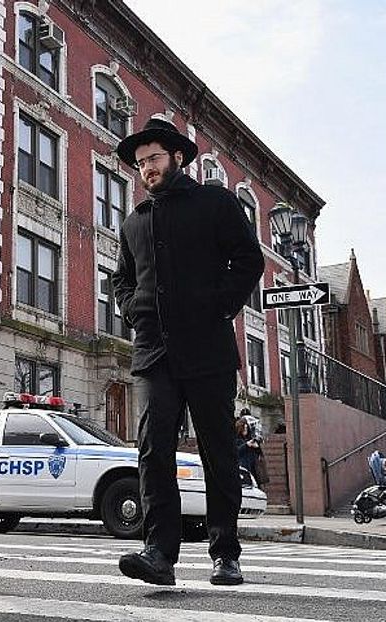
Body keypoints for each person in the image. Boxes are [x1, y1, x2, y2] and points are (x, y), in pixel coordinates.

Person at [111, 117, 264, 586]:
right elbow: (121, 279)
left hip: (208, 350)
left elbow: (249, 259)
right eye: (141, 163)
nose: (147, 168)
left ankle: (225, 553)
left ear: (177, 157)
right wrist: (132, 310)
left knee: (218, 451)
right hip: (153, 353)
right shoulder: (134, 222)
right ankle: (159, 554)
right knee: (153, 449)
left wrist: (220, 305)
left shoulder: (215, 203)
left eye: (154, 158)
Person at [235, 416, 262, 483]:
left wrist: (257, 448)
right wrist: (246, 445)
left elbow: (259, 454)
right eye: (244, 428)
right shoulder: (236, 440)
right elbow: (236, 452)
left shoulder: (249, 438)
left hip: (253, 468)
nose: (246, 430)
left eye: (247, 428)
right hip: (242, 469)